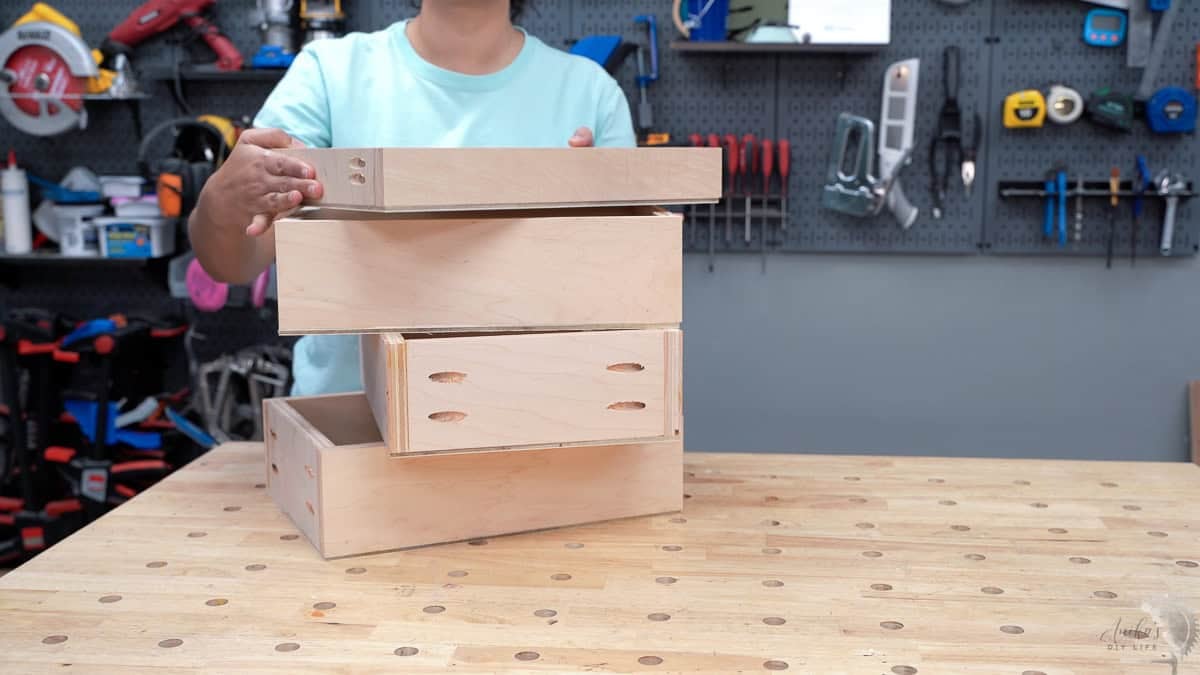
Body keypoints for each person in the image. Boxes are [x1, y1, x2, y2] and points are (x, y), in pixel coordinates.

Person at [188, 0, 636, 395]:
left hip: (537, 417)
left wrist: (590, 221)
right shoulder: (328, 74)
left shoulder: (591, 94)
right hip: (354, 426)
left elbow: (632, 287)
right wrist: (222, 198)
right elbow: (234, 262)